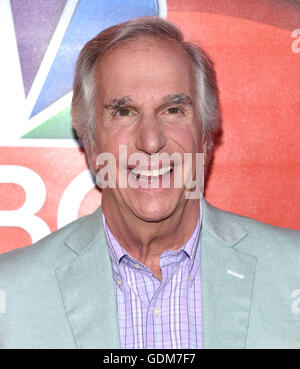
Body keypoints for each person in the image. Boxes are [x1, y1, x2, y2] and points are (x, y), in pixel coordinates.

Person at [0, 16, 299, 349]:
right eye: (123, 112)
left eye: (172, 110)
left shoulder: (294, 272)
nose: (151, 140)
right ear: (91, 141)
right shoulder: (10, 294)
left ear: (204, 137)